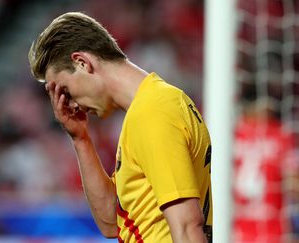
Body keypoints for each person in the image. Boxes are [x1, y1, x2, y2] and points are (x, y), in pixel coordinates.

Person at [28, 12, 212, 243]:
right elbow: (111, 223)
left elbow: (186, 226)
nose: (70, 103)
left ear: (82, 63)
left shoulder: (153, 110)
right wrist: (80, 139)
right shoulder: (145, 110)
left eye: (65, 90)